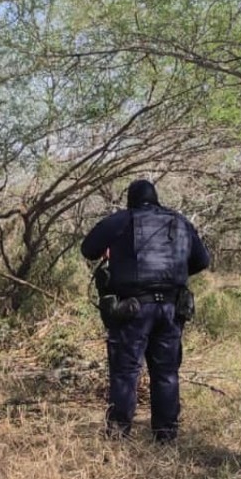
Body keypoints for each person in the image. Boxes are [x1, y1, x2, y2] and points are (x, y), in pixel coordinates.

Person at [81, 179, 210, 442]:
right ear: (156, 198)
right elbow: (202, 260)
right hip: (172, 309)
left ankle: (118, 436)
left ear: (131, 200)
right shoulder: (180, 222)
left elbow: (88, 249)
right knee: (166, 373)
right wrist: (174, 271)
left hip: (133, 309)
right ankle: (166, 436)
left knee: (126, 372)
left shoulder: (121, 220)